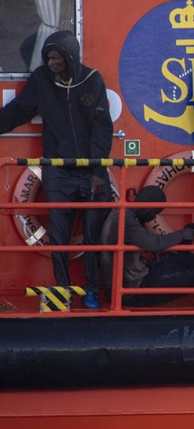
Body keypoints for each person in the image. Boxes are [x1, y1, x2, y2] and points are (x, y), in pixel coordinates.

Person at [0, 31, 113, 309]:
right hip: (58, 170)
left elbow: (103, 128)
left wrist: (98, 170)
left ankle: (92, 291)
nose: (51, 63)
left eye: (56, 58)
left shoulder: (92, 80)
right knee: (59, 235)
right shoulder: (41, 81)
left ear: (70, 57)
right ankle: (62, 290)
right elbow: (17, 111)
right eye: (48, 58)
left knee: (92, 235)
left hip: (90, 171)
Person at [100, 186, 194, 307]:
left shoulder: (124, 213)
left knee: (186, 259)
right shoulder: (125, 220)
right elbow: (153, 243)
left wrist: (184, 235)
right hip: (132, 291)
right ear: (147, 207)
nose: (153, 218)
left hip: (141, 275)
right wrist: (182, 234)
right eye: (155, 212)